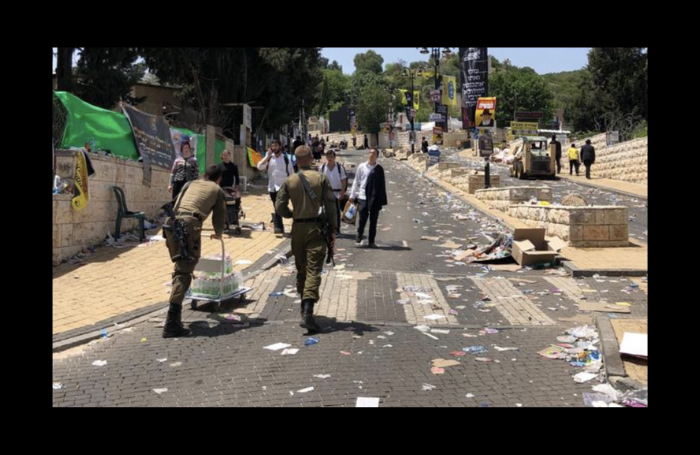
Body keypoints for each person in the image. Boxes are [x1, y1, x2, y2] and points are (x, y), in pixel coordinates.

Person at [275, 145, 337, 334]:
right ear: (311, 158)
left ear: (296, 160)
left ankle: (303, 308)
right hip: (315, 229)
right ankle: (308, 311)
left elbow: (279, 206)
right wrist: (333, 230)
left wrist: (292, 214)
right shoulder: (321, 178)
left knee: (301, 269)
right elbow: (331, 206)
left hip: (297, 229)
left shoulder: (290, 180)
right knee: (313, 270)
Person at [163, 165, 226, 338]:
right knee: (185, 270)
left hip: (171, 223)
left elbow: (176, 202)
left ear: (204, 175)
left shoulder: (190, 183)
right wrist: (218, 233)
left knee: (180, 266)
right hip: (189, 226)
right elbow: (219, 216)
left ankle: (174, 316)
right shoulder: (217, 189)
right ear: (218, 178)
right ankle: (172, 323)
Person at [350, 147, 388, 248]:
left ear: (377, 156)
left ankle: (371, 241)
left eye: (373, 153)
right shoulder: (361, 167)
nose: (371, 154)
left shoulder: (379, 169)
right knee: (362, 219)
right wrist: (352, 195)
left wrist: (381, 200)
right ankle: (359, 235)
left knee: (373, 220)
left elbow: (382, 186)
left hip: (374, 199)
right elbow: (356, 181)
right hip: (362, 196)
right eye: (370, 152)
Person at [257, 139, 295, 234]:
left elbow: (292, 174)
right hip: (272, 187)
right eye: (272, 146)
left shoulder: (286, 159)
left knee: (279, 206)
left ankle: (279, 225)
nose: (274, 148)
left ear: (280, 146)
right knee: (276, 206)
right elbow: (259, 166)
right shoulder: (269, 158)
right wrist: (267, 157)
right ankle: (280, 225)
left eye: (276, 146)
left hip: (283, 187)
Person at [319, 149, 348, 235]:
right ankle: (327, 228)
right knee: (326, 211)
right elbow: (319, 180)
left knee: (336, 212)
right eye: (328, 156)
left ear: (334, 157)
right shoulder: (322, 167)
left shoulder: (339, 167)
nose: (330, 158)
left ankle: (337, 229)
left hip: (337, 193)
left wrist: (342, 193)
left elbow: (343, 180)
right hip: (326, 193)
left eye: (331, 156)